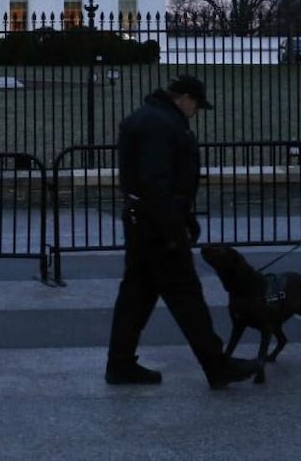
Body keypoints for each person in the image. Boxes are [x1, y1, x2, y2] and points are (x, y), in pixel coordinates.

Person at [105, 75, 261, 389]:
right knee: (186, 294)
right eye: (196, 105)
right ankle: (216, 365)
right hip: (156, 223)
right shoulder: (162, 124)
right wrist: (173, 228)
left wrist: (180, 217)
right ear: (185, 98)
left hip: (142, 220)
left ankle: (120, 363)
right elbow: (157, 182)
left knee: (136, 295)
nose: (196, 112)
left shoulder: (149, 118)